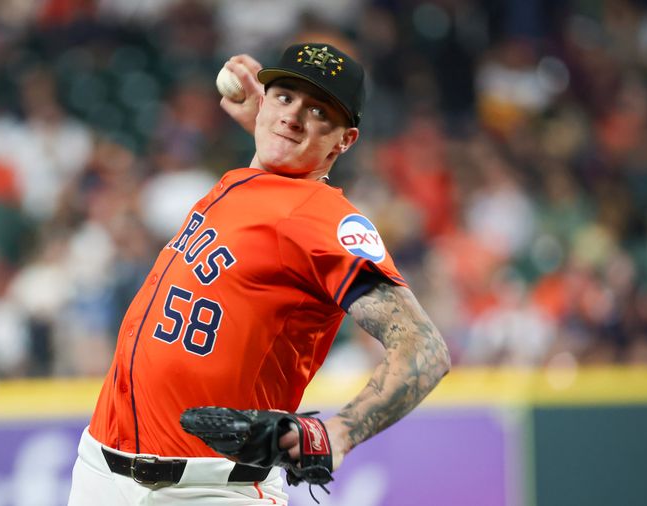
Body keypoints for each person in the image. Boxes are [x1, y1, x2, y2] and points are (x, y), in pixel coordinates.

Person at [67, 42, 450, 505]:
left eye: (318, 112)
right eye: (285, 96)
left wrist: (338, 433)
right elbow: (280, 169)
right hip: (99, 469)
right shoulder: (250, 182)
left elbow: (424, 347)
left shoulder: (322, 216)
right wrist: (268, 121)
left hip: (208, 489)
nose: (292, 117)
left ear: (344, 141)